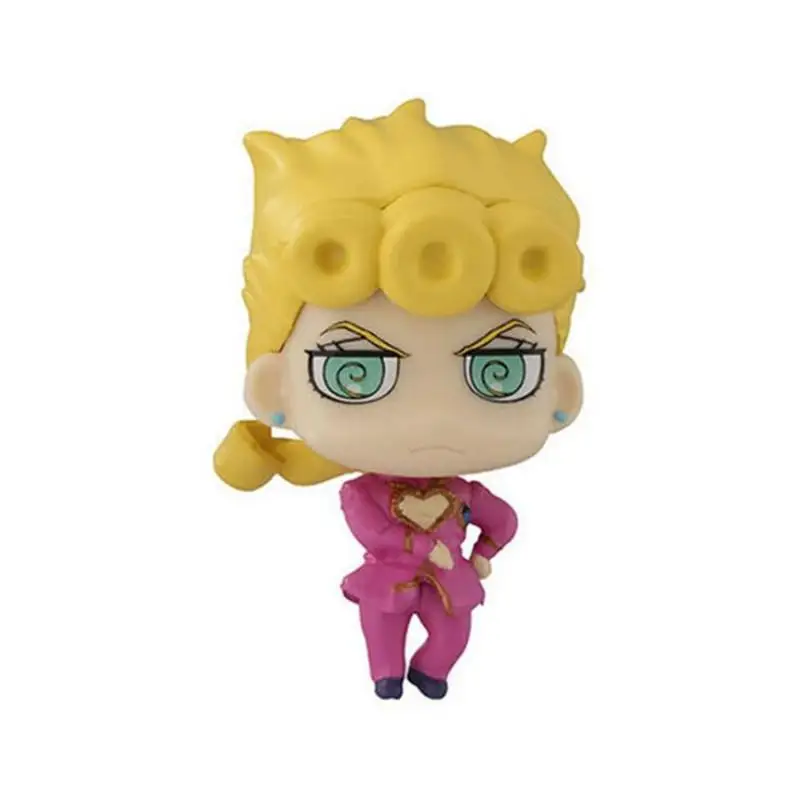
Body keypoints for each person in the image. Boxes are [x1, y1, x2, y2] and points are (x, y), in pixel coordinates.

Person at [214, 99, 585, 699]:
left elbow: (503, 521)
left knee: (453, 632)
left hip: (452, 584)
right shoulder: (363, 493)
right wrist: (430, 550)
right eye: (355, 371)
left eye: (501, 370)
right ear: (272, 388)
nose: (432, 417)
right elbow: (373, 529)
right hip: (392, 582)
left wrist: (484, 551)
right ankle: (387, 673)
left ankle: (431, 671)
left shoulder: (466, 497)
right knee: (382, 626)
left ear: (561, 391)